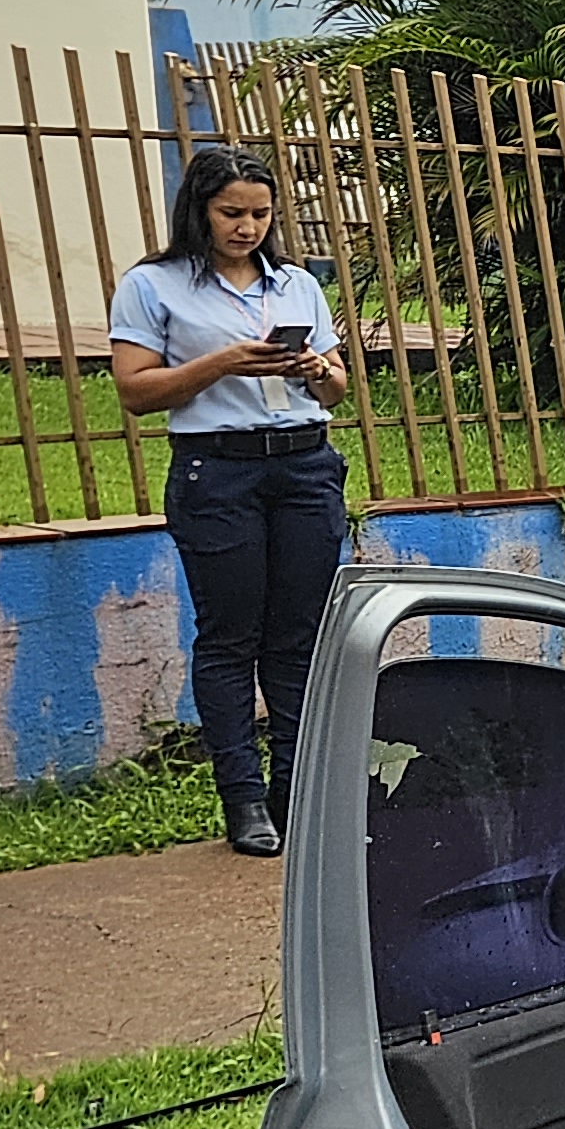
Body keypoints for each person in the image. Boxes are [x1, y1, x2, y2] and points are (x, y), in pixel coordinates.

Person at [108, 145, 351, 856]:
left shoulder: (298, 285)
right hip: (218, 473)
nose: (247, 227)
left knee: (297, 640)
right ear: (201, 210)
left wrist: (315, 370)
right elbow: (133, 391)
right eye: (231, 213)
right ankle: (244, 801)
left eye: (260, 213)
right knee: (229, 637)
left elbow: (337, 389)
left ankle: (294, 794)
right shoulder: (155, 285)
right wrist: (224, 362)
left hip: (305, 467)